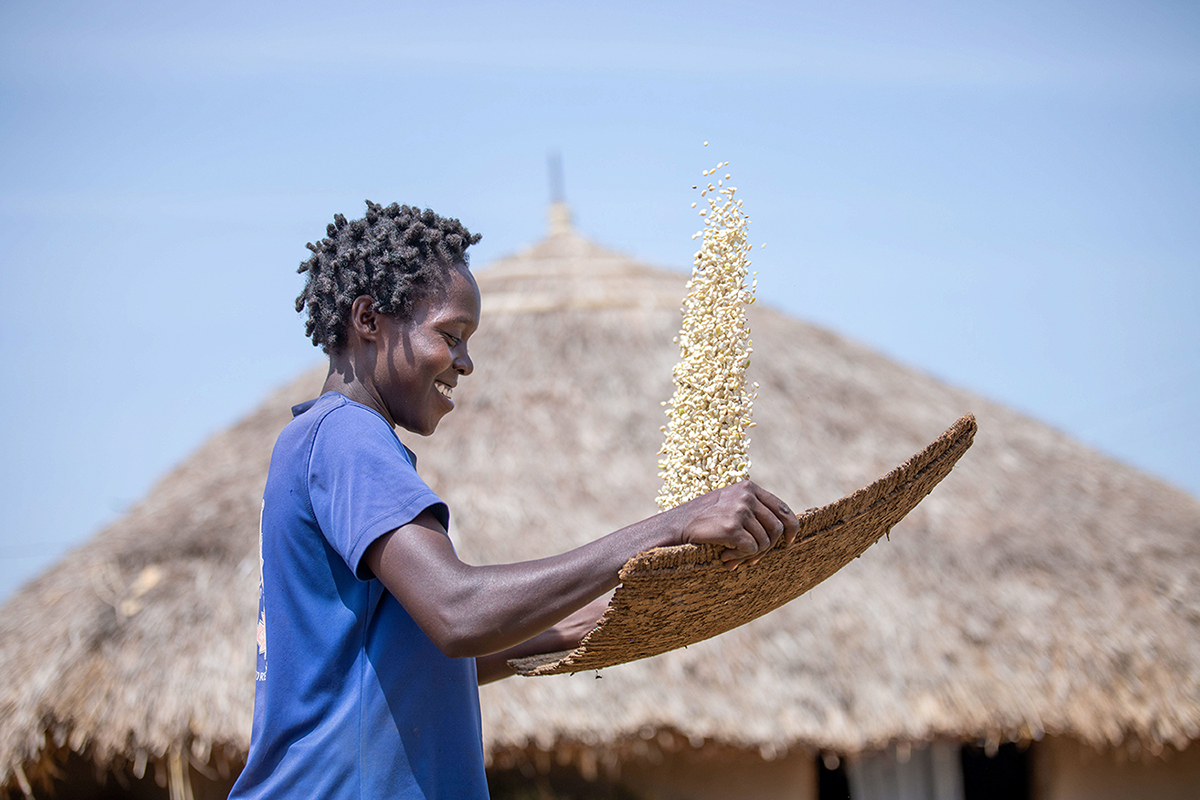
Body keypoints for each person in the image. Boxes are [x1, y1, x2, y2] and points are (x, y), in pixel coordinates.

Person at [228, 201, 800, 799]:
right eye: (450, 336)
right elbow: (458, 614)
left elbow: (434, 663)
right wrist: (673, 525)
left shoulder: (323, 443)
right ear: (369, 318)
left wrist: (630, 616)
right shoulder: (347, 436)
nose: (466, 363)